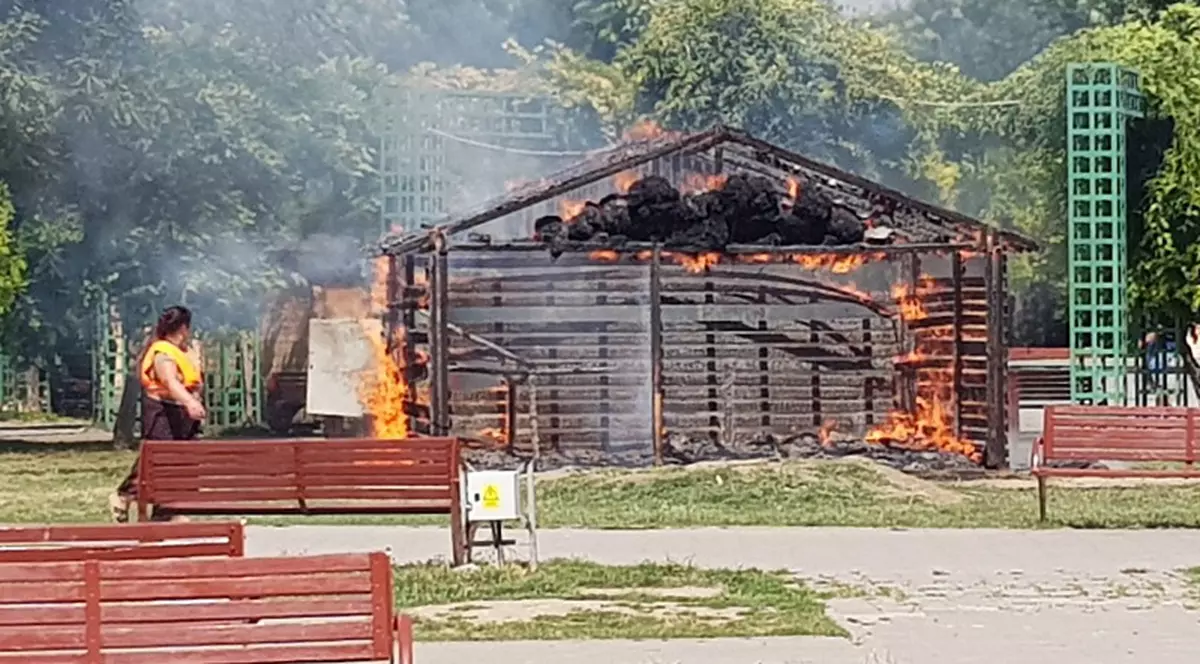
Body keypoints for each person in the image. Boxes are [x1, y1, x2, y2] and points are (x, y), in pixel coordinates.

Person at [109, 305, 207, 522]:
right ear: (183, 328)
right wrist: (190, 401)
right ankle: (126, 495)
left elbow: (192, 379)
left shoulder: (186, 350)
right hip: (162, 412)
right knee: (158, 462)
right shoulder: (163, 352)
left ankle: (169, 511)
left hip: (182, 415)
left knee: (183, 463)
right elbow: (170, 382)